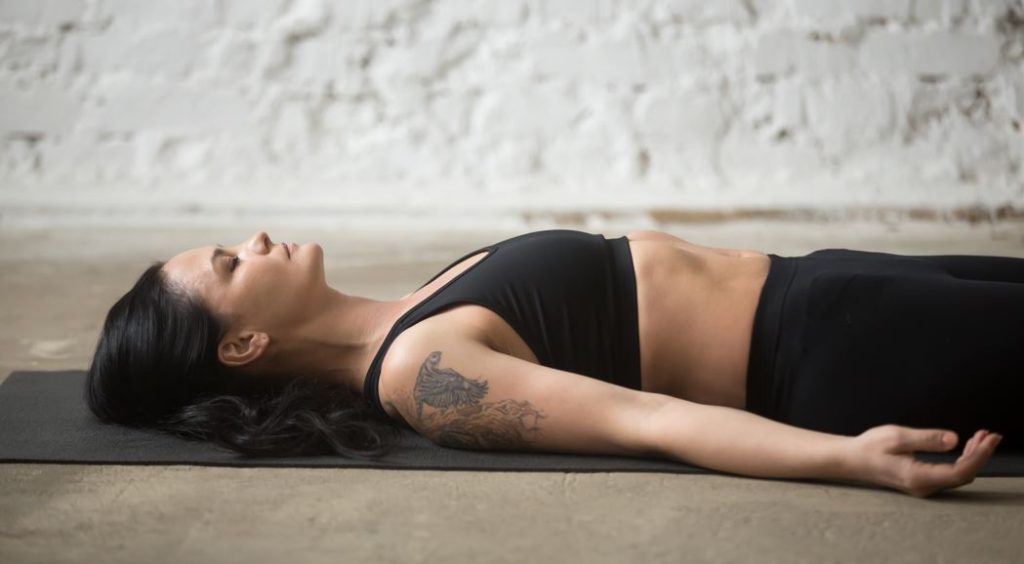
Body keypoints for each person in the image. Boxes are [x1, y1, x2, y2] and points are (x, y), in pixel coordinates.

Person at [86, 229, 1019, 498]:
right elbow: (644, 423)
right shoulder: (424, 375)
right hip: (827, 354)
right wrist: (852, 458)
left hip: (826, 284)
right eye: (228, 265)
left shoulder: (416, 304)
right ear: (241, 344)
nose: (253, 239)